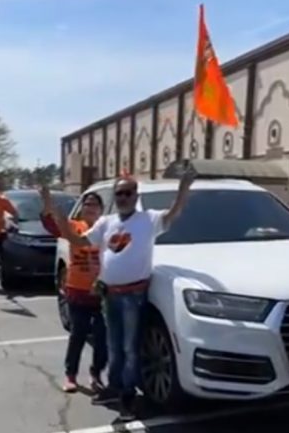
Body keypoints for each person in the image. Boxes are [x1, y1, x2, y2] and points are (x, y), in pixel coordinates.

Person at [46, 170, 194, 420]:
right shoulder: (106, 222)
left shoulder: (149, 219)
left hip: (133, 296)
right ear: (115, 198)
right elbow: (78, 240)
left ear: (136, 195)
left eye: (128, 192)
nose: (124, 197)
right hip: (109, 295)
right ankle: (114, 388)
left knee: (130, 347)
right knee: (114, 346)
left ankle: (128, 396)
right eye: (119, 193)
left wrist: (184, 189)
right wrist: (56, 213)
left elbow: (173, 214)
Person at [40, 188, 108, 393]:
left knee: (101, 337)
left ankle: (96, 374)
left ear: (101, 209)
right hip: (77, 290)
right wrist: (47, 203)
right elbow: (51, 225)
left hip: (101, 292)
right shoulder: (73, 226)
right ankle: (71, 376)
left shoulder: (107, 230)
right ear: (82, 208)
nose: (90, 207)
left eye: (94, 204)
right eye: (86, 204)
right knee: (78, 334)